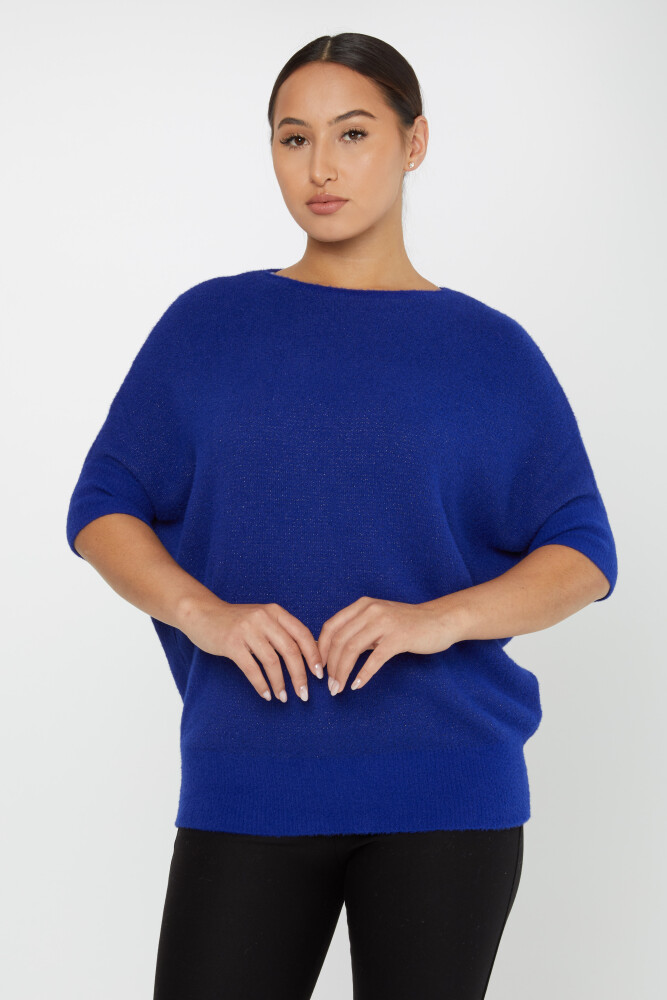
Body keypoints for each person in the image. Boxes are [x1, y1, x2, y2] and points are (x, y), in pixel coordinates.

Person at [65, 32, 617, 1000]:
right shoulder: (209, 326)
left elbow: (581, 553)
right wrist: (205, 614)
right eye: (294, 138)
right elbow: (105, 505)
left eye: (352, 133)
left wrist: (436, 619)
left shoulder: (488, 349)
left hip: (447, 787)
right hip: (248, 772)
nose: (320, 166)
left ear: (414, 143)